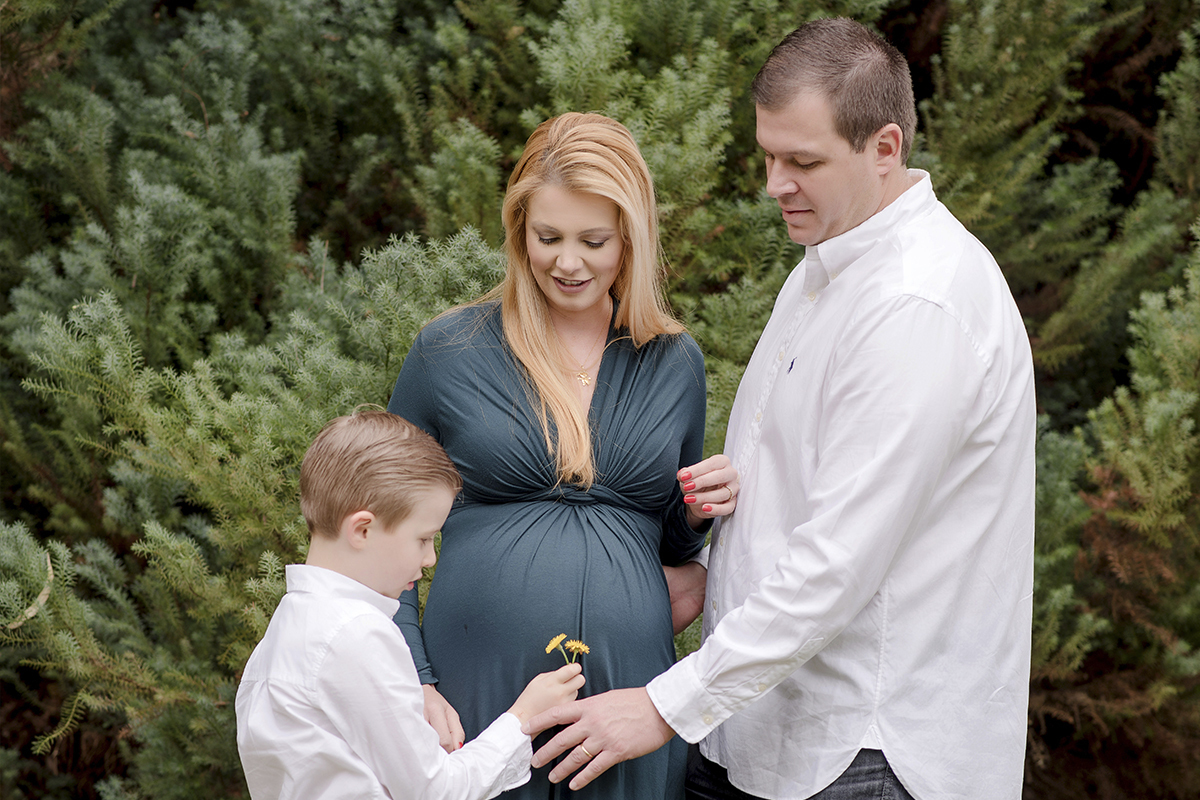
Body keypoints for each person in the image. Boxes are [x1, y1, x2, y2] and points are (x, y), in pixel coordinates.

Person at [525, 17, 1036, 800]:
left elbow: (838, 562)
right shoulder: (825, 267)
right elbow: (801, 492)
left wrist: (665, 707)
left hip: (868, 752)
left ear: (886, 148)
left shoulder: (917, 305)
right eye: (768, 155)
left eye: (803, 161)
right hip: (761, 732)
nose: (775, 184)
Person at [387, 112, 738, 799]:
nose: (567, 262)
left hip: (627, 702)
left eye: (593, 240)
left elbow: (666, 543)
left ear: (630, 240)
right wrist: (413, 681)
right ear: (520, 231)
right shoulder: (448, 351)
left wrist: (698, 512)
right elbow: (378, 533)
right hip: (475, 699)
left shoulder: (674, 362)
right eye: (547, 237)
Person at [235, 408, 587, 800]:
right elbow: (435, 791)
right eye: (422, 539)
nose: (430, 558)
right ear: (362, 529)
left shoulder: (288, 627)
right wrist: (522, 720)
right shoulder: (357, 635)